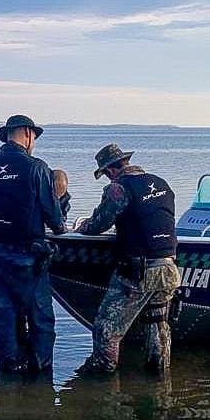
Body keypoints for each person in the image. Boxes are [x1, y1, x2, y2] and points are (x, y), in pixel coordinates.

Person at [0, 114, 66, 375]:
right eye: (34, 138)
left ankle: (7, 376)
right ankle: (41, 379)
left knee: (5, 316)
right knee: (41, 319)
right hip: (29, 256)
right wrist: (61, 215)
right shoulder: (36, 168)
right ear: (28, 134)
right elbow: (55, 220)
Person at [75, 144, 181, 374]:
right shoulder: (161, 183)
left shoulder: (119, 188)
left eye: (106, 175)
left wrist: (81, 227)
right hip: (170, 268)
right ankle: (160, 378)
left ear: (110, 170)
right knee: (157, 322)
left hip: (138, 271)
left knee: (106, 329)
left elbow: (98, 224)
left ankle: (103, 379)